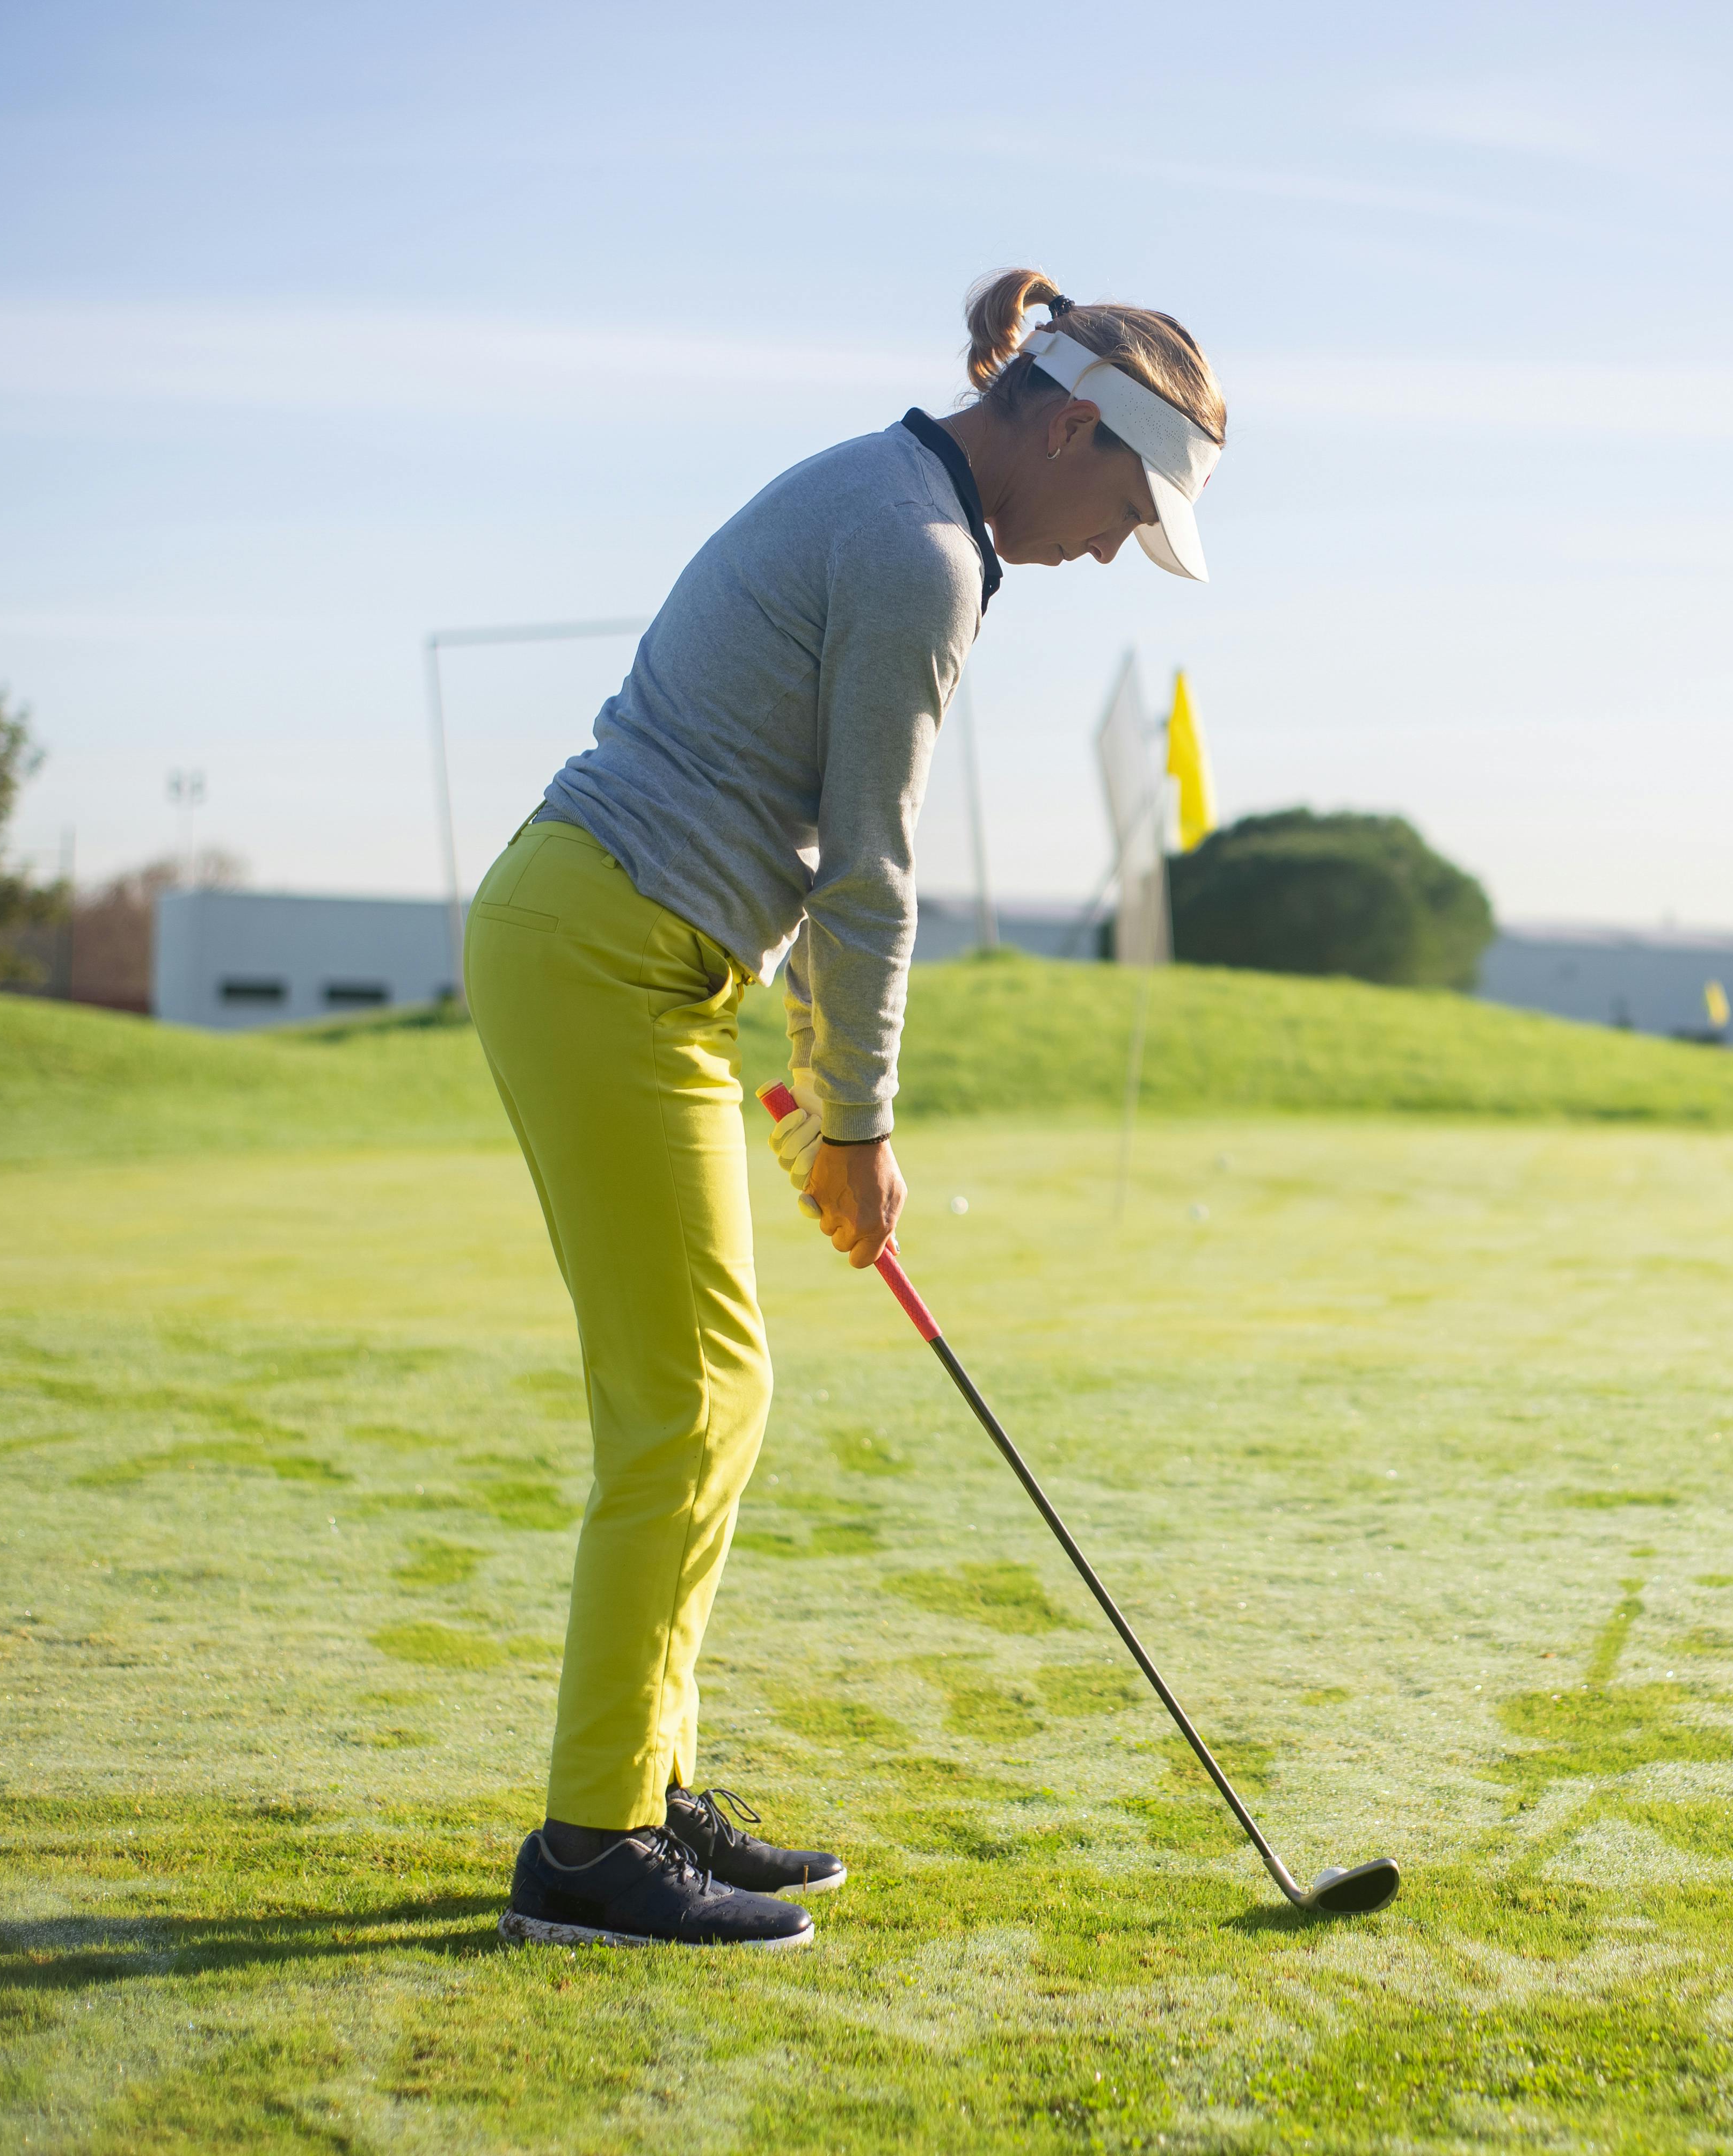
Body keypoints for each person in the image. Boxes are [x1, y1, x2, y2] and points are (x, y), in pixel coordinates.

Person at [467, 269, 1226, 1949]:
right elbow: (872, 880)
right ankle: (592, 1849)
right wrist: (867, 1129)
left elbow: (808, 864)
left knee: (713, 1391)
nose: (1113, 548)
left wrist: (817, 1089)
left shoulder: (902, 503)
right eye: (1123, 508)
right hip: (602, 950)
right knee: (683, 1399)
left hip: (638, 955)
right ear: (1075, 426)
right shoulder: (921, 552)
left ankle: (644, 1792)